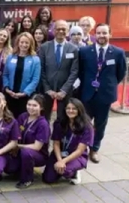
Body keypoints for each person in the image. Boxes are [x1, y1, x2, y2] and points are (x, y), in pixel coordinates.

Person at [78, 23, 126, 163]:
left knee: (100, 124)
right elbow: (81, 71)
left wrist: (107, 85)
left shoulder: (118, 53)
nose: (101, 36)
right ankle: (82, 149)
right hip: (87, 94)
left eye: (104, 33)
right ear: (95, 34)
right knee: (84, 123)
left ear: (110, 34)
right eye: (99, 33)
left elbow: (120, 73)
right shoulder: (85, 51)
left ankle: (94, 149)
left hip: (104, 96)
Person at [42, 98, 94, 185]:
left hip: (76, 156)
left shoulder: (87, 127)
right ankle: (59, 171)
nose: (70, 111)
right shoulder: (59, 123)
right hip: (59, 154)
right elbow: (56, 143)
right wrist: (59, 160)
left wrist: (63, 161)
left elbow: (80, 150)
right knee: (48, 179)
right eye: (68, 108)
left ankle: (74, 173)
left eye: (74, 109)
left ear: (79, 110)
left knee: (65, 171)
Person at [5, 94, 50, 189]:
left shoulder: (43, 124)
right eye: (29, 104)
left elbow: (37, 147)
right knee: (9, 169)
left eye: (35, 105)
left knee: (26, 153)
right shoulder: (23, 117)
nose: (31, 108)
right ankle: (21, 168)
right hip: (20, 151)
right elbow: (15, 133)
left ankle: (27, 179)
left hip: (38, 155)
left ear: (41, 107)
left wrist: (17, 146)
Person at [39, 20, 79, 121]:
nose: (61, 31)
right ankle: (44, 136)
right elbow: (41, 69)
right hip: (47, 90)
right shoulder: (44, 47)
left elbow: (74, 71)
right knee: (44, 116)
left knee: (63, 118)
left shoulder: (73, 49)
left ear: (68, 31)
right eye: (58, 29)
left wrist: (64, 90)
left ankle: (60, 137)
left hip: (65, 91)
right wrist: (47, 89)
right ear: (53, 30)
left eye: (63, 29)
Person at [3, 32, 41, 118]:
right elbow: (5, 74)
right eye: (22, 42)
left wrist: (25, 93)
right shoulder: (10, 57)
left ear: (31, 44)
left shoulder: (35, 59)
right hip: (10, 94)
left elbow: (35, 79)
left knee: (22, 120)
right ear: (18, 43)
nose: (24, 45)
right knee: (9, 118)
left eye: (27, 43)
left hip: (26, 97)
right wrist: (7, 88)